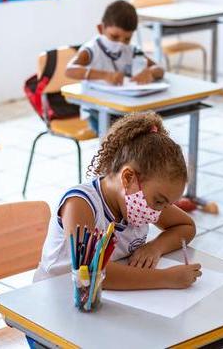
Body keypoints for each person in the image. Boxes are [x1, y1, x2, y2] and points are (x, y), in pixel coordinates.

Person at [34, 111, 201, 289]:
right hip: (55, 296)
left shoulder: (146, 200)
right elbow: (91, 271)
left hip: (103, 297)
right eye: (160, 201)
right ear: (128, 177)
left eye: (167, 204)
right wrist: (166, 278)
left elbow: (186, 227)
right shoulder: (79, 204)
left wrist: (155, 247)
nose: (158, 212)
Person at [65, 0, 164, 133]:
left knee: (149, 129)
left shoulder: (131, 50)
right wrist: (105, 75)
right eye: (114, 36)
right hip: (97, 110)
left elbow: (159, 69)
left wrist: (150, 72)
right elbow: (69, 70)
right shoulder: (92, 49)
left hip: (125, 108)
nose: (120, 43)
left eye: (127, 39)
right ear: (101, 28)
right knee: (124, 135)